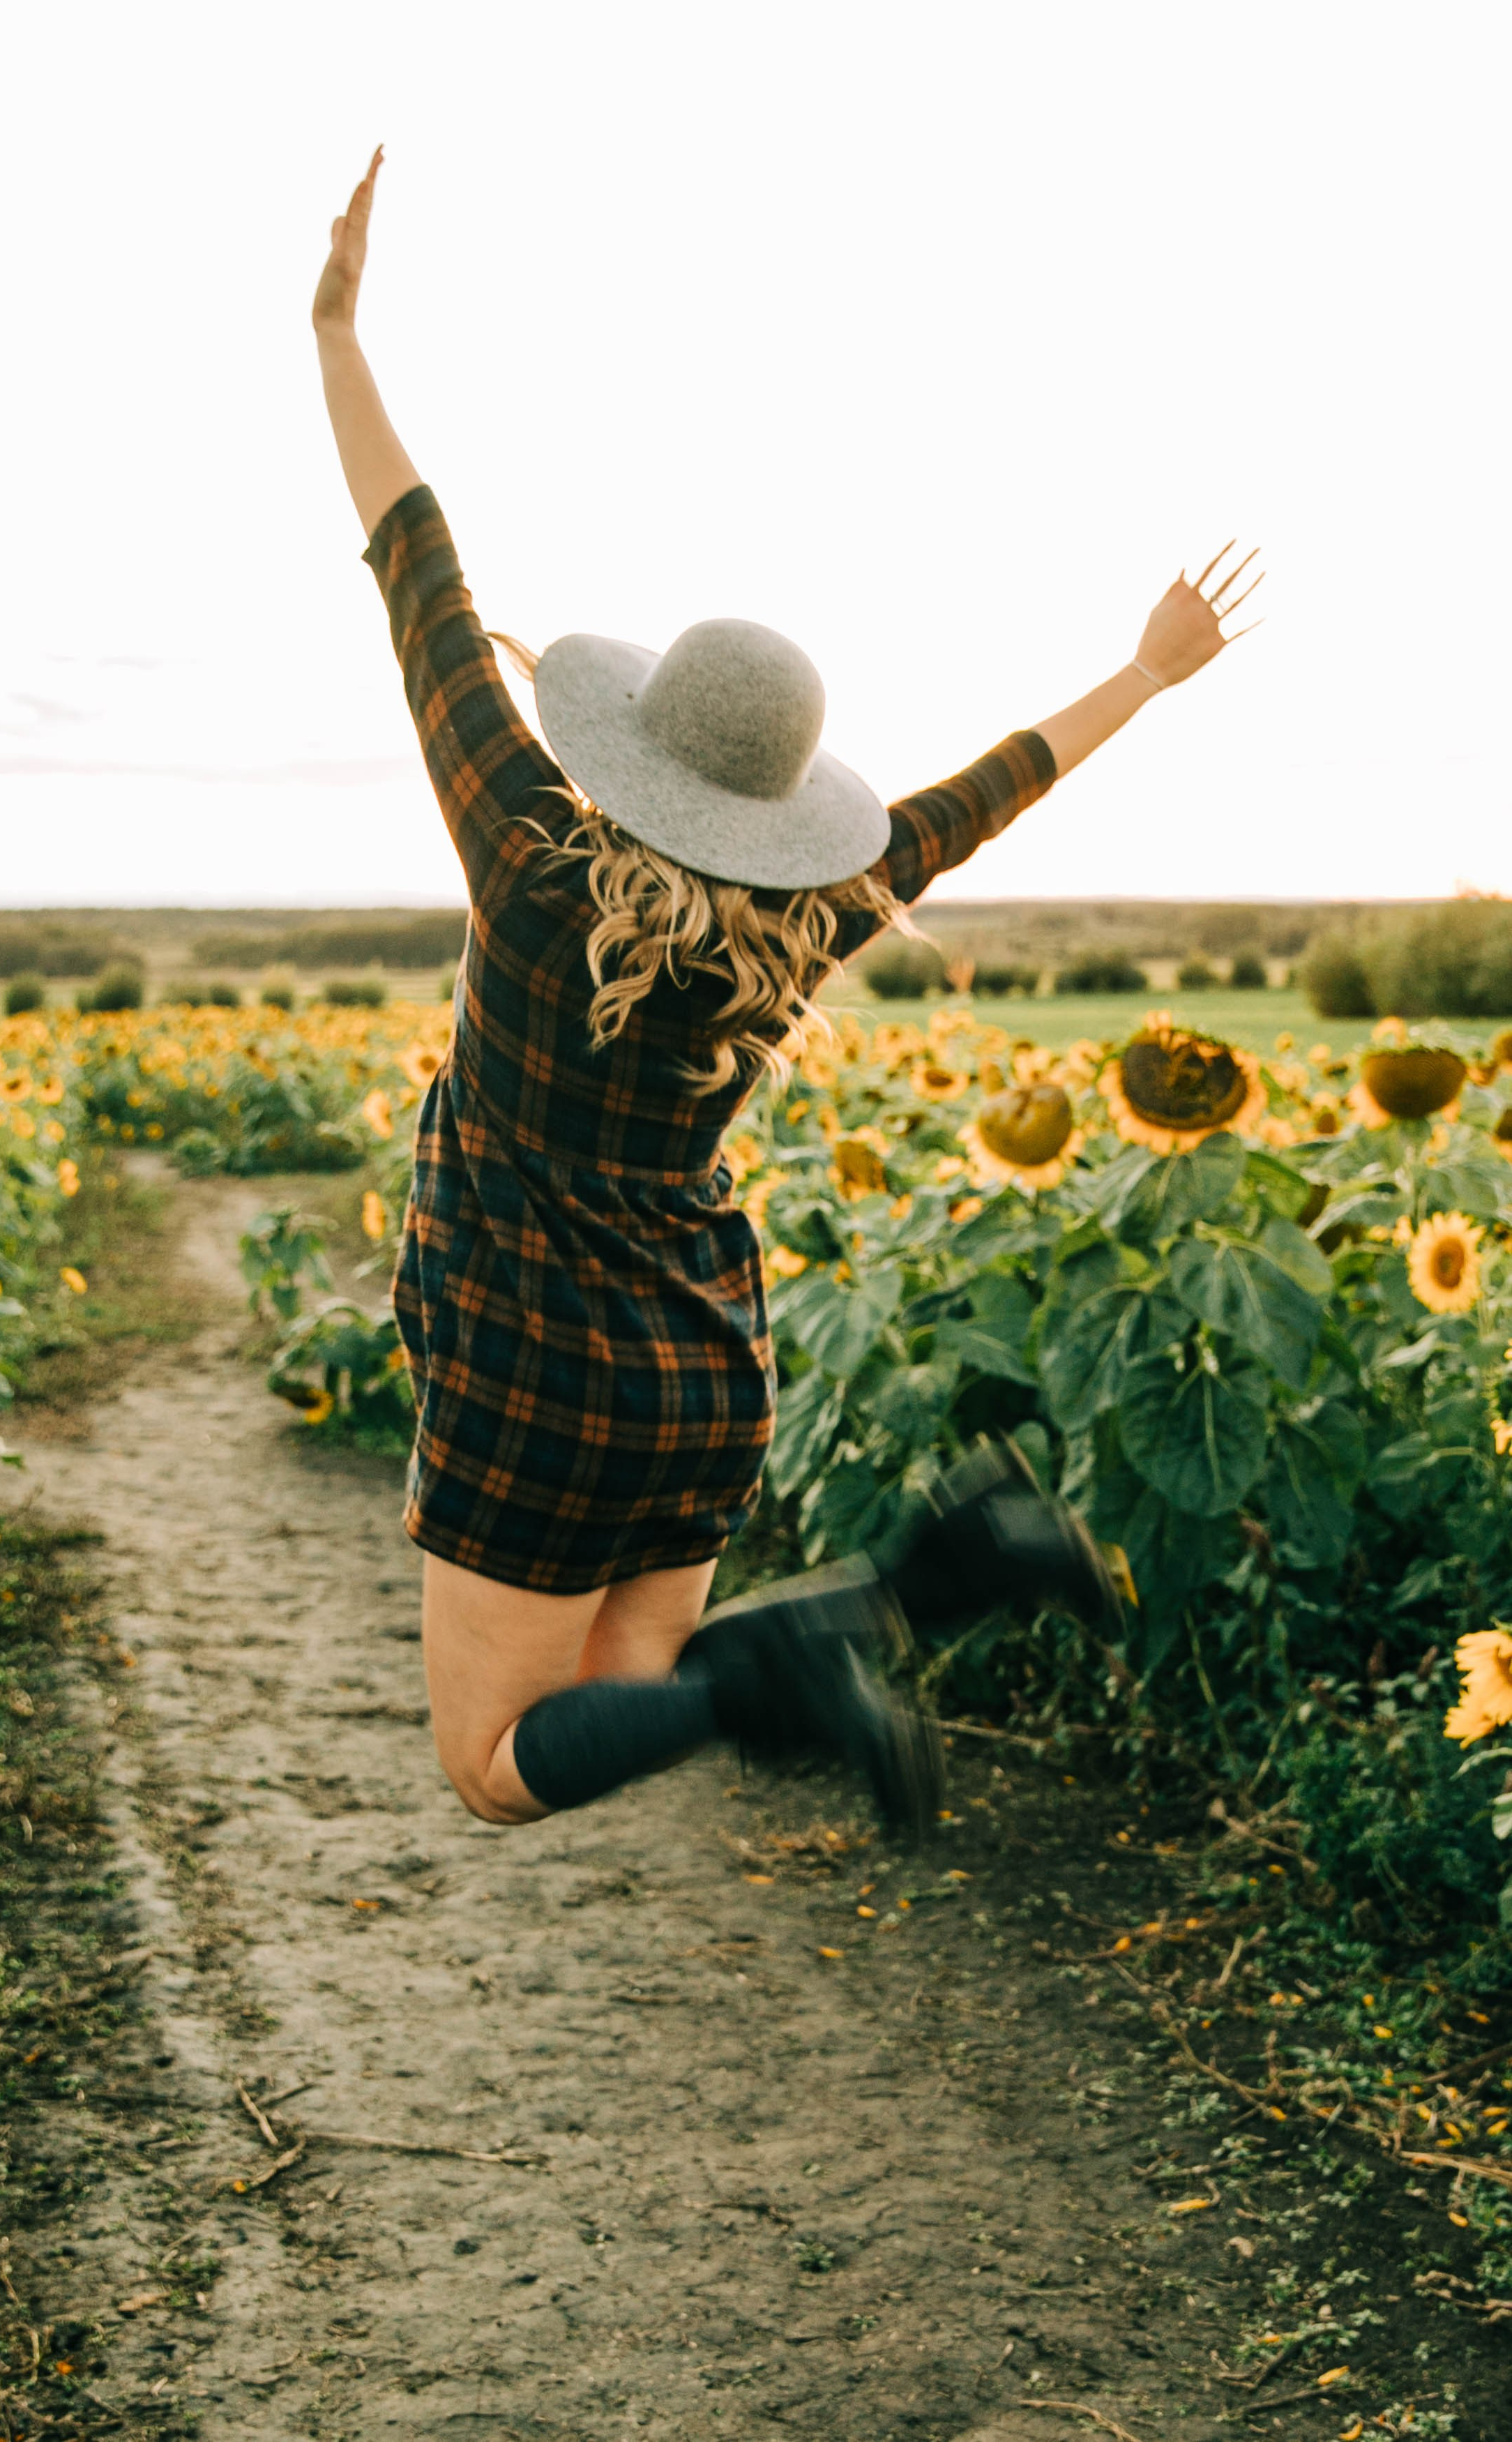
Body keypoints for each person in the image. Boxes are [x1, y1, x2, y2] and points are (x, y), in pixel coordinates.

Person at [312, 149, 1262, 1835]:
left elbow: (421, 571)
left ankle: (825, 1648)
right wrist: (1152, 670)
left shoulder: (532, 861)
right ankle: (939, 1564)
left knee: (494, 1765)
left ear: (631, 747)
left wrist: (338, 334)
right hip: (697, 1373)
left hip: (538, 1376)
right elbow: (993, 785)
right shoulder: (816, 910)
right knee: (634, 1695)